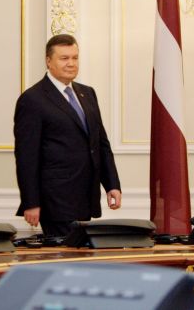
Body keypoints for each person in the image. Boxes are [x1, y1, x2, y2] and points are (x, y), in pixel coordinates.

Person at [14, 34, 121, 238]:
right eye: (64, 58)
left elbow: (100, 143)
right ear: (48, 61)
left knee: (81, 254)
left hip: (86, 196)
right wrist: (31, 202)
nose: (71, 63)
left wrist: (112, 185)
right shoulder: (32, 99)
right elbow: (26, 157)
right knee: (65, 254)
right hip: (54, 200)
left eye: (75, 57)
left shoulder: (88, 93)